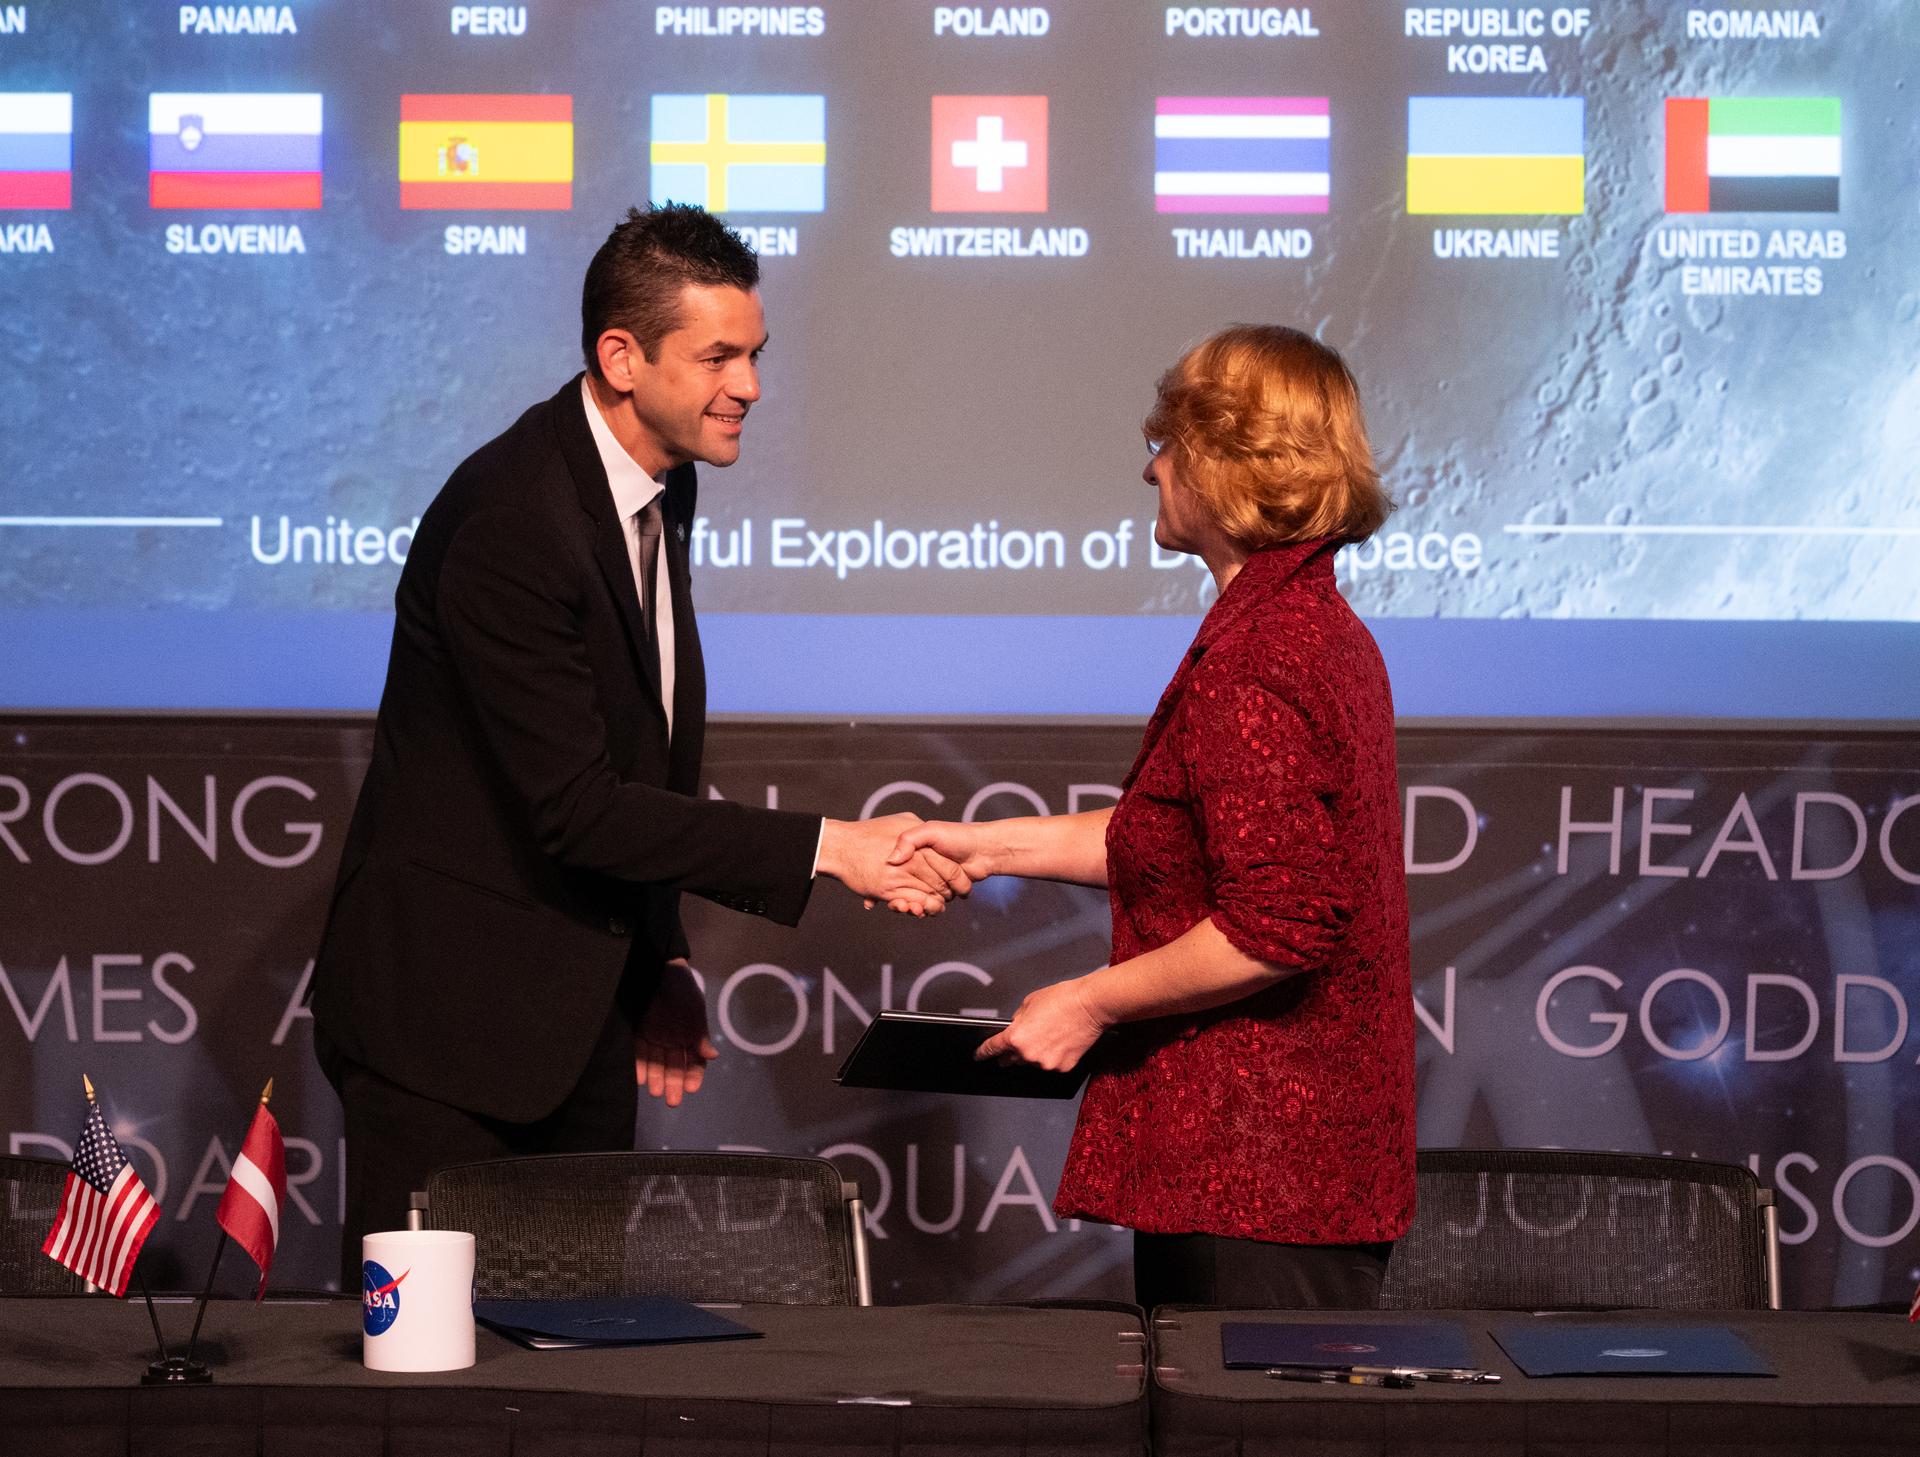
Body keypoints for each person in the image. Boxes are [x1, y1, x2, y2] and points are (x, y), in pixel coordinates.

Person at [309, 204, 961, 1284]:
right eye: (718, 356)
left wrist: (657, 952)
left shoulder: (665, 481)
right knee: (435, 1390)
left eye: (754, 354)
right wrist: (832, 848)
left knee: (572, 1372)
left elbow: (644, 746)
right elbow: (576, 803)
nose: (749, 384)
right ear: (622, 356)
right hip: (446, 1034)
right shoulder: (514, 521)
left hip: (582, 1018)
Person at [890, 325, 1415, 1309]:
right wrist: (986, 844)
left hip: (1257, 1178)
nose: (1151, 466)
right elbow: (1172, 836)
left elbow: (1279, 922)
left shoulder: (1262, 654)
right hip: (1278, 1175)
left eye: (1170, 444)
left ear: (1224, 463)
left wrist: (1088, 1000)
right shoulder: (1303, 626)